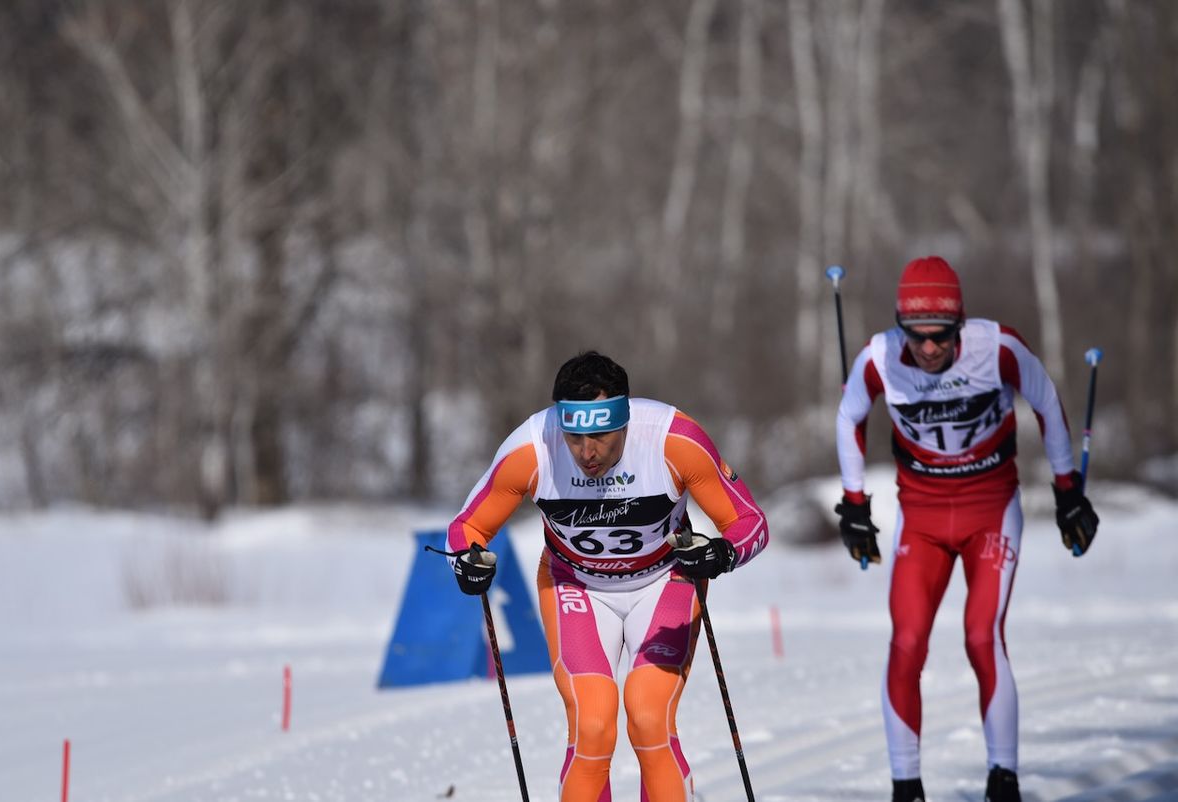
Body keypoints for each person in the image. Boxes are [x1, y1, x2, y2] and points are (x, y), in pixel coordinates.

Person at [446, 350, 769, 801]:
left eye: (600, 435)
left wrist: (720, 554)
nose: (587, 452)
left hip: (665, 579)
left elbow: (750, 522)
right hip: (574, 585)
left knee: (648, 714)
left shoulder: (672, 440)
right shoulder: (531, 448)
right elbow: (467, 528)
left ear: (625, 421)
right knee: (592, 724)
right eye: (575, 437)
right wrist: (466, 562)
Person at [833, 256, 1099, 802]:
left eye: (942, 336)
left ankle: (1003, 779)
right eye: (917, 337)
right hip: (922, 517)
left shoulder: (997, 347)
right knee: (906, 642)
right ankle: (906, 786)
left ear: (961, 325)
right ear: (900, 326)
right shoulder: (879, 356)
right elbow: (848, 417)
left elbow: (1046, 402)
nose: (929, 349)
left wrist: (1068, 489)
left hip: (990, 511)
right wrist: (855, 504)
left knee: (982, 635)